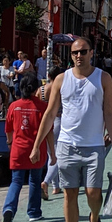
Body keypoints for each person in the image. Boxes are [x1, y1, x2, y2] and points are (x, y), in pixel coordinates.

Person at [30, 37, 112, 222]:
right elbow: (50, 114)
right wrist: (37, 145)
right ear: (70, 55)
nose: (78, 56)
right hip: (66, 146)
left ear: (91, 53)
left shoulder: (103, 78)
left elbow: (110, 113)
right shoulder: (61, 80)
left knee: (94, 194)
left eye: (83, 51)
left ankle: (94, 218)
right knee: (69, 194)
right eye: (74, 53)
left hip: (93, 148)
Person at [2, 73, 56, 222]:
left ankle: (9, 209)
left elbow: (8, 129)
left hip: (18, 148)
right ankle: (34, 212)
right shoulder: (42, 107)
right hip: (37, 149)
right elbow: (49, 132)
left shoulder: (14, 106)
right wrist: (53, 152)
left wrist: (10, 143)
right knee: (34, 180)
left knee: (16, 181)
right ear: (37, 88)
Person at [41, 66, 64, 200]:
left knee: (51, 155)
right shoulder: (59, 87)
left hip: (47, 121)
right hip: (59, 120)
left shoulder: (42, 89)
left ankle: (56, 186)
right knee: (58, 155)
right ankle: (48, 181)